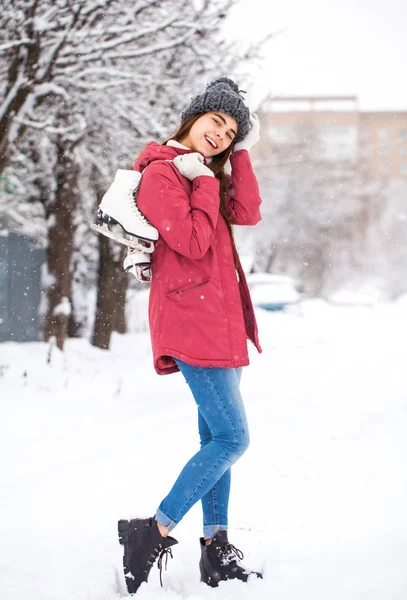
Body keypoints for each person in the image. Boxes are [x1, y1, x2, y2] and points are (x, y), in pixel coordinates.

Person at [118, 77, 263, 594]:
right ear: (192, 119)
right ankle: (151, 531)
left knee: (214, 439)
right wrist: (199, 178)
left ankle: (215, 551)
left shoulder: (205, 175)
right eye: (216, 122)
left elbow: (246, 212)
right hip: (192, 322)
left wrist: (238, 155)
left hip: (220, 323)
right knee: (232, 438)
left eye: (231, 131)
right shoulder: (163, 172)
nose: (221, 134)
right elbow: (195, 241)